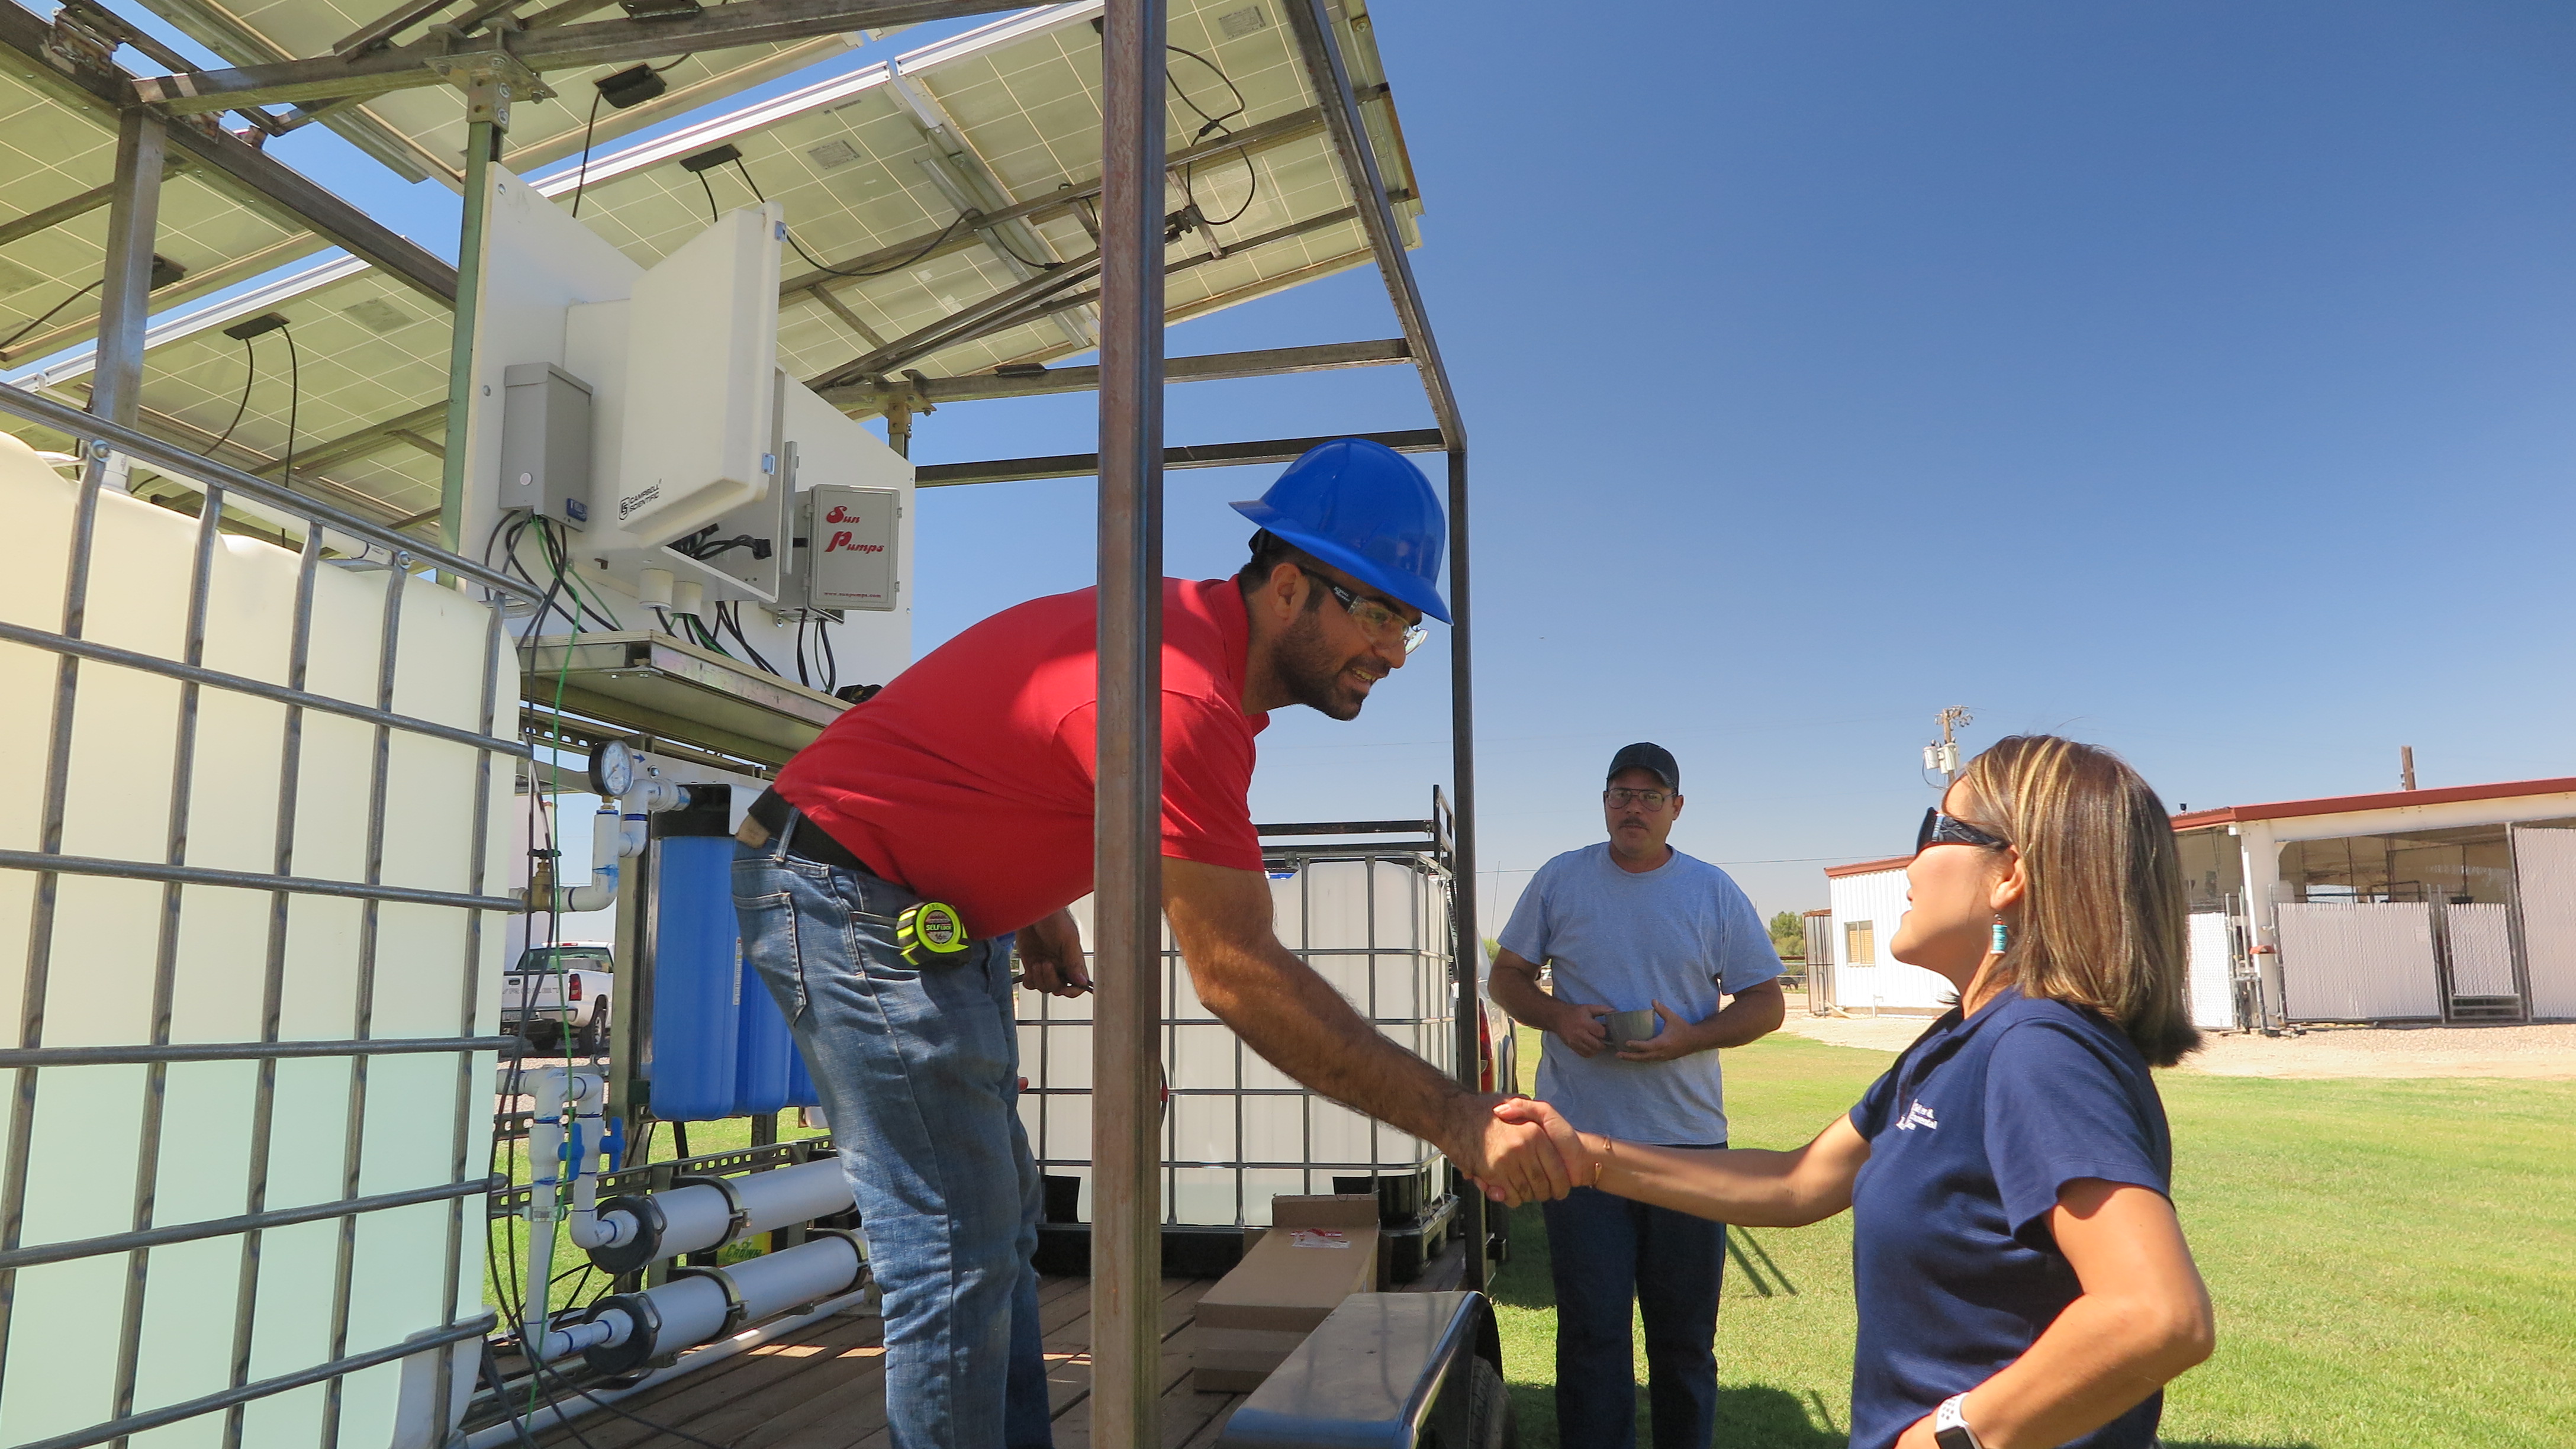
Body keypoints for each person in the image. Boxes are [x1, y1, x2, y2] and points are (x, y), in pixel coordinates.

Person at [730, 439, 1574, 1449]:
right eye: (1381, 612)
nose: (1395, 650)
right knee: (947, 1248)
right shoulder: (1179, 690)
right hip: (842, 890)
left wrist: (1037, 907)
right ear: (1291, 585)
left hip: (920, 905)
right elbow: (1237, 971)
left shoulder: (1178, 649)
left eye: (1409, 626)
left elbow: (1020, 757)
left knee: (996, 1236)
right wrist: (1454, 1116)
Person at [1496, 736, 2216, 1449]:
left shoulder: (2038, 1047)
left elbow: (2155, 1314)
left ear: (2009, 877)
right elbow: (1797, 1182)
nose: (1911, 863)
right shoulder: (1956, 1040)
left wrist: (1948, 1439)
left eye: (1936, 830)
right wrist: (1585, 1155)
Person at [1486, 742, 1786, 1449]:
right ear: (1603, 804)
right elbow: (1506, 977)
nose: (1634, 807)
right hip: (1578, 1145)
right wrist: (1558, 1016)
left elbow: (1766, 1002)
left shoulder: (1711, 891)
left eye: (1651, 796)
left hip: (1687, 1147)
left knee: (1684, 1342)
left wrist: (1690, 1038)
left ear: (1675, 810)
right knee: (1591, 1334)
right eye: (1621, 793)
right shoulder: (1560, 880)